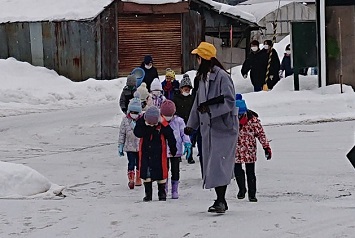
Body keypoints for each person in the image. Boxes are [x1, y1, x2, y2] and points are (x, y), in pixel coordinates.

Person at [184, 42, 239, 213]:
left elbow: (229, 100)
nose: (197, 60)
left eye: (198, 57)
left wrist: (211, 110)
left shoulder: (222, 77)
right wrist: (191, 125)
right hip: (208, 129)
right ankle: (220, 200)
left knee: (218, 164)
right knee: (212, 164)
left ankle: (221, 200)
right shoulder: (202, 78)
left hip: (223, 127)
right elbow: (197, 103)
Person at [133, 106, 177, 202]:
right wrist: (149, 129)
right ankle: (148, 195)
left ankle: (162, 194)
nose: (152, 125)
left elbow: (170, 135)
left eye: (154, 124)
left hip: (159, 152)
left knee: (161, 173)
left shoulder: (163, 124)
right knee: (146, 173)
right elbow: (137, 133)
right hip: (145, 152)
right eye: (149, 123)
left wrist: (173, 148)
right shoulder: (141, 122)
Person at [234, 94, 272, 202]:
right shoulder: (230, 120)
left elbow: (261, 134)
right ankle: (242, 189)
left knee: (250, 172)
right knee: (237, 170)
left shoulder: (253, 120)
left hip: (249, 150)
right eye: (238, 114)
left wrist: (266, 147)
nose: (240, 117)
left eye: (242, 114)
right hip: (235, 150)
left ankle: (252, 194)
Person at [160, 100, 191, 199]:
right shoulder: (160, 121)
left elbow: (183, 133)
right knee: (164, 170)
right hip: (163, 151)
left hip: (176, 151)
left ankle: (174, 189)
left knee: (175, 170)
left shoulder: (179, 121)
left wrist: (187, 143)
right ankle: (164, 188)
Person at [118, 93, 143, 189]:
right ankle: (131, 179)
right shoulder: (125, 121)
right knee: (131, 163)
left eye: (136, 113)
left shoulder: (142, 121)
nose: (134, 114)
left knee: (139, 163)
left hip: (140, 147)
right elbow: (122, 134)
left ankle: (138, 178)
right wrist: (120, 145)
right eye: (132, 112)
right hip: (129, 147)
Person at [173, 73, 196, 164]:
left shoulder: (192, 98)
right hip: (179, 121)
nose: (187, 91)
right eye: (185, 89)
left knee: (189, 139)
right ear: (181, 89)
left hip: (189, 121)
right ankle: (178, 154)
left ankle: (189, 156)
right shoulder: (176, 98)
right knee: (178, 138)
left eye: (188, 89)